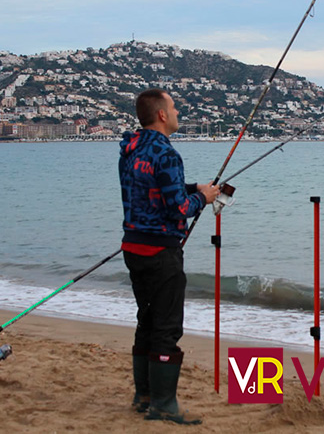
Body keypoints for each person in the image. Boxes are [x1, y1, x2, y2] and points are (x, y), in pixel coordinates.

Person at [118, 88, 218, 425]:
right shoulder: (167, 153)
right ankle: (163, 404)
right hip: (161, 252)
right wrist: (202, 200)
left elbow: (151, 189)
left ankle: (143, 395)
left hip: (133, 247)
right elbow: (177, 210)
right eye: (173, 107)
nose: (177, 113)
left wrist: (194, 189)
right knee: (166, 327)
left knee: (146, 322)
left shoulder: (130, 148)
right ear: (162, 114)